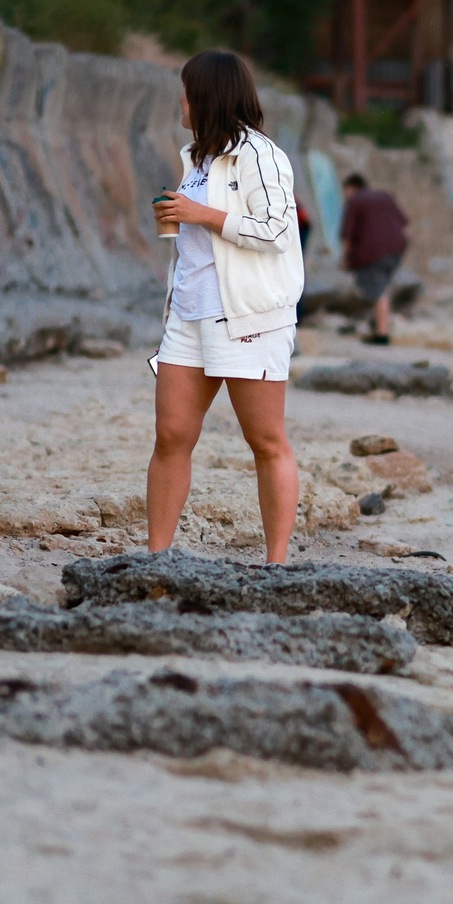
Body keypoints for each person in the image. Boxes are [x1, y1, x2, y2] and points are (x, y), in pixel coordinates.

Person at [146, 50, 305, 561]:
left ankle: (276, 565)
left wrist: (203, 214)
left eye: (187, 89)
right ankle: (156, 562)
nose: (181, 99)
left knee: (266, 441)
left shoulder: (260, 154)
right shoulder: (196, 155)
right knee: (170, 437)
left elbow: (278, 230)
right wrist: (183, 217)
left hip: (248, 318)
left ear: (208, 95)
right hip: (189, 314)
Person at [338, 172, 409, 345]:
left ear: (350, 188)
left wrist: (346, 258)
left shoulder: (355, 200)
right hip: (397, 248)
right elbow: (404, 222)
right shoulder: (384, 196)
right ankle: (379, 325)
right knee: (381, 288)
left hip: (373, 252)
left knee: (377, 291)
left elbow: (347, 234)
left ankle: (382, 333)